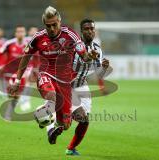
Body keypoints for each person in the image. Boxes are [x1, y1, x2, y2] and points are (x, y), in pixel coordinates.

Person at [8, 6, 97, 138]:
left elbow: (84, 55)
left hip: (65, 83)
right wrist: (17, 81)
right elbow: (25, 58)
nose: (52, 29)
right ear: (44, 24)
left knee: (65, 124)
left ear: (59, 22)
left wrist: (90, 56)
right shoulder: (38, 37)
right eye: (48, 26)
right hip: (46, 75)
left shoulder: (70, 35)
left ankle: (50, 122)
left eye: (54, 25)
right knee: (53, 98)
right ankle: (42, 113)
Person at [45, 18, 112, 155]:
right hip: (67, 85)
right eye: (86, 29)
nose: (90, 31)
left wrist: (104, 68)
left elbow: (99, 75)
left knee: (84, 122)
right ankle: (56, 124)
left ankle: (70, 148)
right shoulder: (73, 45)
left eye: (92, 29)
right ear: (81, 31)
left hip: (82, 85)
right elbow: (85, 58)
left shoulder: (97, 49)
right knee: (78, 117)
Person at [0, 25, 33, 111]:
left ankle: (25, 100)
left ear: (25, 33)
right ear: (15, 33)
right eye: (18, 31)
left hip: (25, 69)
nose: (20, 33)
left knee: (26, 80)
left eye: (22, 31)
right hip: (11, 70)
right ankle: (16, 102)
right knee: (11, 93)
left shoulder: (29, 44)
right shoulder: (9, 44)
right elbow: (0, 52)